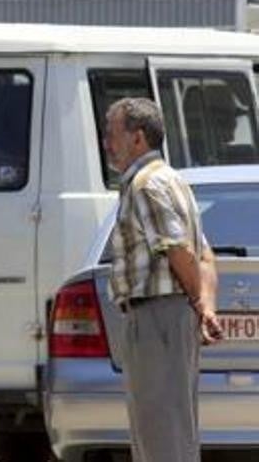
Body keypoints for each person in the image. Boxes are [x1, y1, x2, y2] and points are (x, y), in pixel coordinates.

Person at [102, 97, 222, 462]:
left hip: (158, 317)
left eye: (113, 134)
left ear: (138, 138)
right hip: (169, 316)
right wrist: (206, 306)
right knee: (171, 429)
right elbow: (204, 255)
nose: (108, 143)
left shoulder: (145, 185)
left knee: (160, 434)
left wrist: (200, 305)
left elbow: (178, 251)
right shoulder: (174, 181)